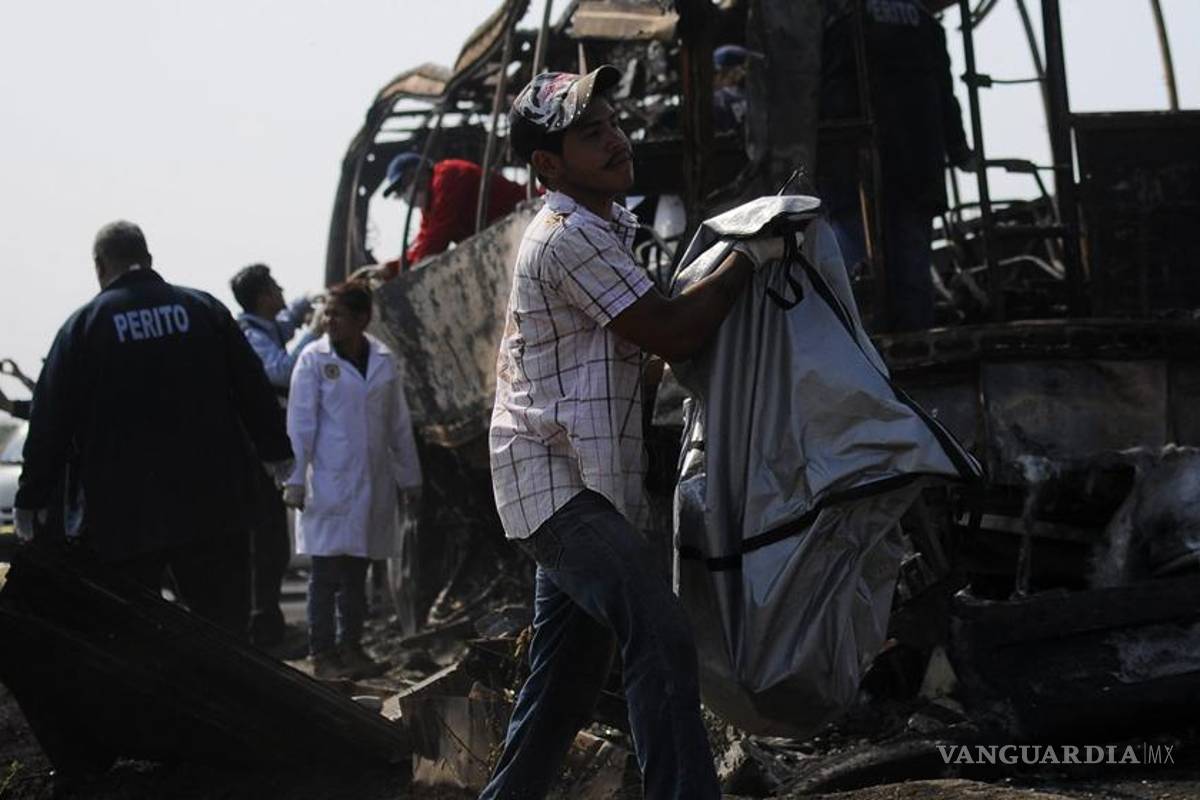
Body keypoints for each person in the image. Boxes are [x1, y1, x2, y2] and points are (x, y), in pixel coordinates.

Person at [481, 67, 786, 800]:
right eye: (593, 134)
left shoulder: (607, 226)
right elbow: (671, 332)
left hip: (579, 479)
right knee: (659, 631)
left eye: (614, 124)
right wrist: (752, 254)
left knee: (563, 683)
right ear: (549, 165)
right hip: (556, 485)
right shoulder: (568, 236)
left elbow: (639, 352)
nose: (617, 140)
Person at [14, 221, 291, 634]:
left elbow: (51, 419)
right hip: (213, 505)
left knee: (132, 635)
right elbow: (253, 387)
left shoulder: (83, 328)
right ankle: (224, 697)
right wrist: (277, 453)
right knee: (224, 633)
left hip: (124, 516)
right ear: (148, 258)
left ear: (99, 265)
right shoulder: (203, 310)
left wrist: (31, 497)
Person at [283, 281, 422, 680]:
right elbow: (300, 425)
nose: (328, 321)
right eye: (326, 313)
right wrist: (295, 478)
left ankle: (352, 647)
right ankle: (322, 653)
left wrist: (410, 478)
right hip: (327, 481)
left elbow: (398, 425)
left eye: (337, 314)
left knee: (356, 572)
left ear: (363, 319)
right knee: (325, 575)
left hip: (372, 480)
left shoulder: (383, 359)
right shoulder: (313, 360)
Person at [818, 0, 976, 332]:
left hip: (850, 169)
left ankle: (861, 352)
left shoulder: (834, 24)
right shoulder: (924, 23)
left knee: (855, 271)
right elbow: (945, 98)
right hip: (914, 169)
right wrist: (959, 150)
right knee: (911, 272)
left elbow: (812, 96)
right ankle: (915, 348)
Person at [230, 263, 319, 647]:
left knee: (271, 544)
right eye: (277, 288)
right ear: (264, 295)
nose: (281, 292)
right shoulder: (251, 336)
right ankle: (264, 630)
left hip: (260, 451)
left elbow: (284, 324)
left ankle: (267, 624)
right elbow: (281, 371)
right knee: (266, 544)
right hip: (254, 453)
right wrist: (314, 331)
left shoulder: (264, 329)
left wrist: (307, 304)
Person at [379, 153, 529, 271]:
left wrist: (412, 266)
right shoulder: (430, 206)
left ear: (418, 173)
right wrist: (391, 268)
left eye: (404, 185)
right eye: (400, 192)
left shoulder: (448, 175)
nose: (405, 193)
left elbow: (438, 235)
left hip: (525, 220)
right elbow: (424, 240)